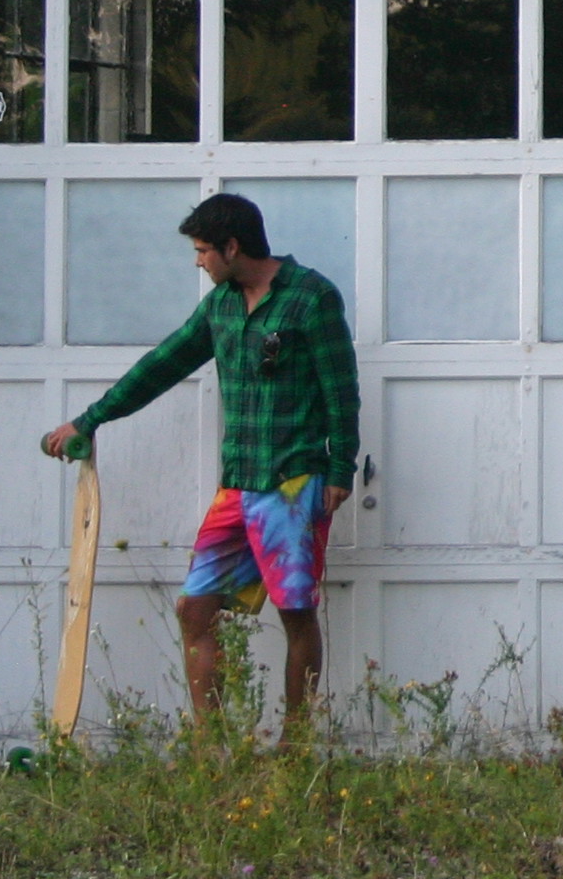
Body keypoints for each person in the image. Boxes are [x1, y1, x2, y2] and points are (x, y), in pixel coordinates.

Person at [41, 193, 359, 738]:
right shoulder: (221, 306)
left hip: (294, 481)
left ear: (233, 248)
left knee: (295, 612)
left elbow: (341, 388)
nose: (198, 262)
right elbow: (163, 364)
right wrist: (90, 420)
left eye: (204, 250)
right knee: (195, 610)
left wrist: (340, 469)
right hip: (237, 483)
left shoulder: (311, 297)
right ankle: (211, 748)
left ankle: (296, 742)